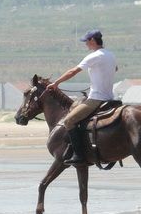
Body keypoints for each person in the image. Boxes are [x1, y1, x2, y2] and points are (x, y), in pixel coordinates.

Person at [46, 29, 117, 166]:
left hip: (96, 98)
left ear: (92, 41)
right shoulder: (111, 55)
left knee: (69, 121)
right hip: (110, 98)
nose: (86, 45)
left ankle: (78, 154)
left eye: (86, 42)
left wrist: (56, 83)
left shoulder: (94, 56)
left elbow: (73, 71)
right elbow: (115, 70)